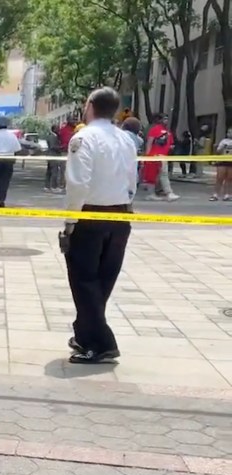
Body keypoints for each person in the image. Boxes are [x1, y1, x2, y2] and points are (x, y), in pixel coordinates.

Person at [60, 87, 137, 365]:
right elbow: (132, 181)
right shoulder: (126, 139)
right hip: (120, 216)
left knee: (83, 280)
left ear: (90, 105)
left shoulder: (83, 138)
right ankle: (85, 333)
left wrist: (70, 221)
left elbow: (78, 184)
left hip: (90, 217)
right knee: (103, 280)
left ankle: (101, 343)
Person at [142, 114, 180, 202]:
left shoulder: (168, 132)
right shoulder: (155, 130)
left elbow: (170, 144)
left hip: (163, 156)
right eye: (164, 119)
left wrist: (171, 147)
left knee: (159, 175)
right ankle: (168, 193)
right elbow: (149, 143)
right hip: (155, 155)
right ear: (159, 120)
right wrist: (148, 156)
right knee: (160, 174)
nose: (166, 121)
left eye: (167, 119)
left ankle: (154, 193)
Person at [212, 128, 232, 202]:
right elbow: (218, 151)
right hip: (222, 161)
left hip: (231, 162)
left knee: (229, 179)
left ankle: (227, 195)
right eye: (229, 132)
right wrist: (223, 147)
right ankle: (215, 194)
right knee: (219, 178)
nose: (230, 134)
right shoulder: (224, 141)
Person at [45, 124, 63, 193]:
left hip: (50, 155)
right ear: (54, 129)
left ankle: (47, 186)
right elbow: (53, 146)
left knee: (49, 171)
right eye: (57, 128)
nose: (59, 130)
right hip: (53, 155)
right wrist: (61, 147)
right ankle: (54, 186)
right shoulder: (53, 137)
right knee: (54, 171)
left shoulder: (52, 136)